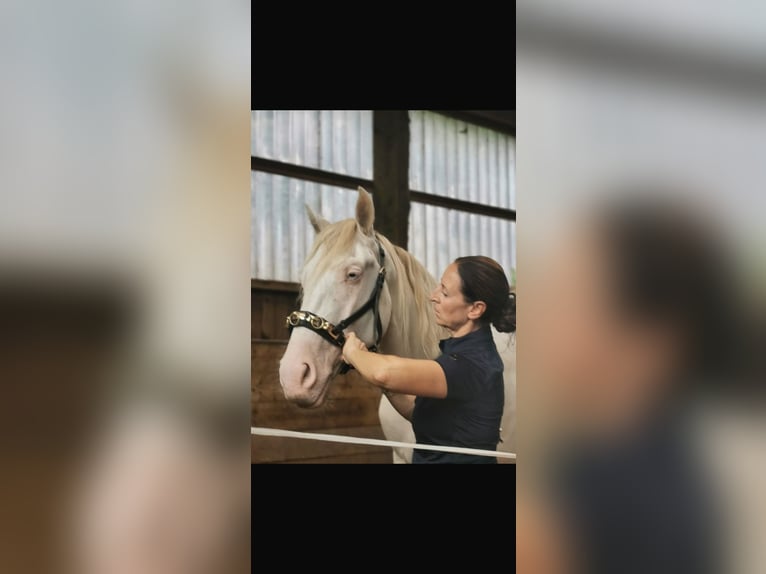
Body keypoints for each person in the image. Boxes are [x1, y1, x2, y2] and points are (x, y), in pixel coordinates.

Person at [341, 255, 515, 464]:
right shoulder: (461, 356)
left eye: (445, 292)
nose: (433, 296)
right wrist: (385, 385)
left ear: (475, 309)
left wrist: (353, 352)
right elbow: (419, 412)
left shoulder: (471, 365)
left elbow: (384, 372)